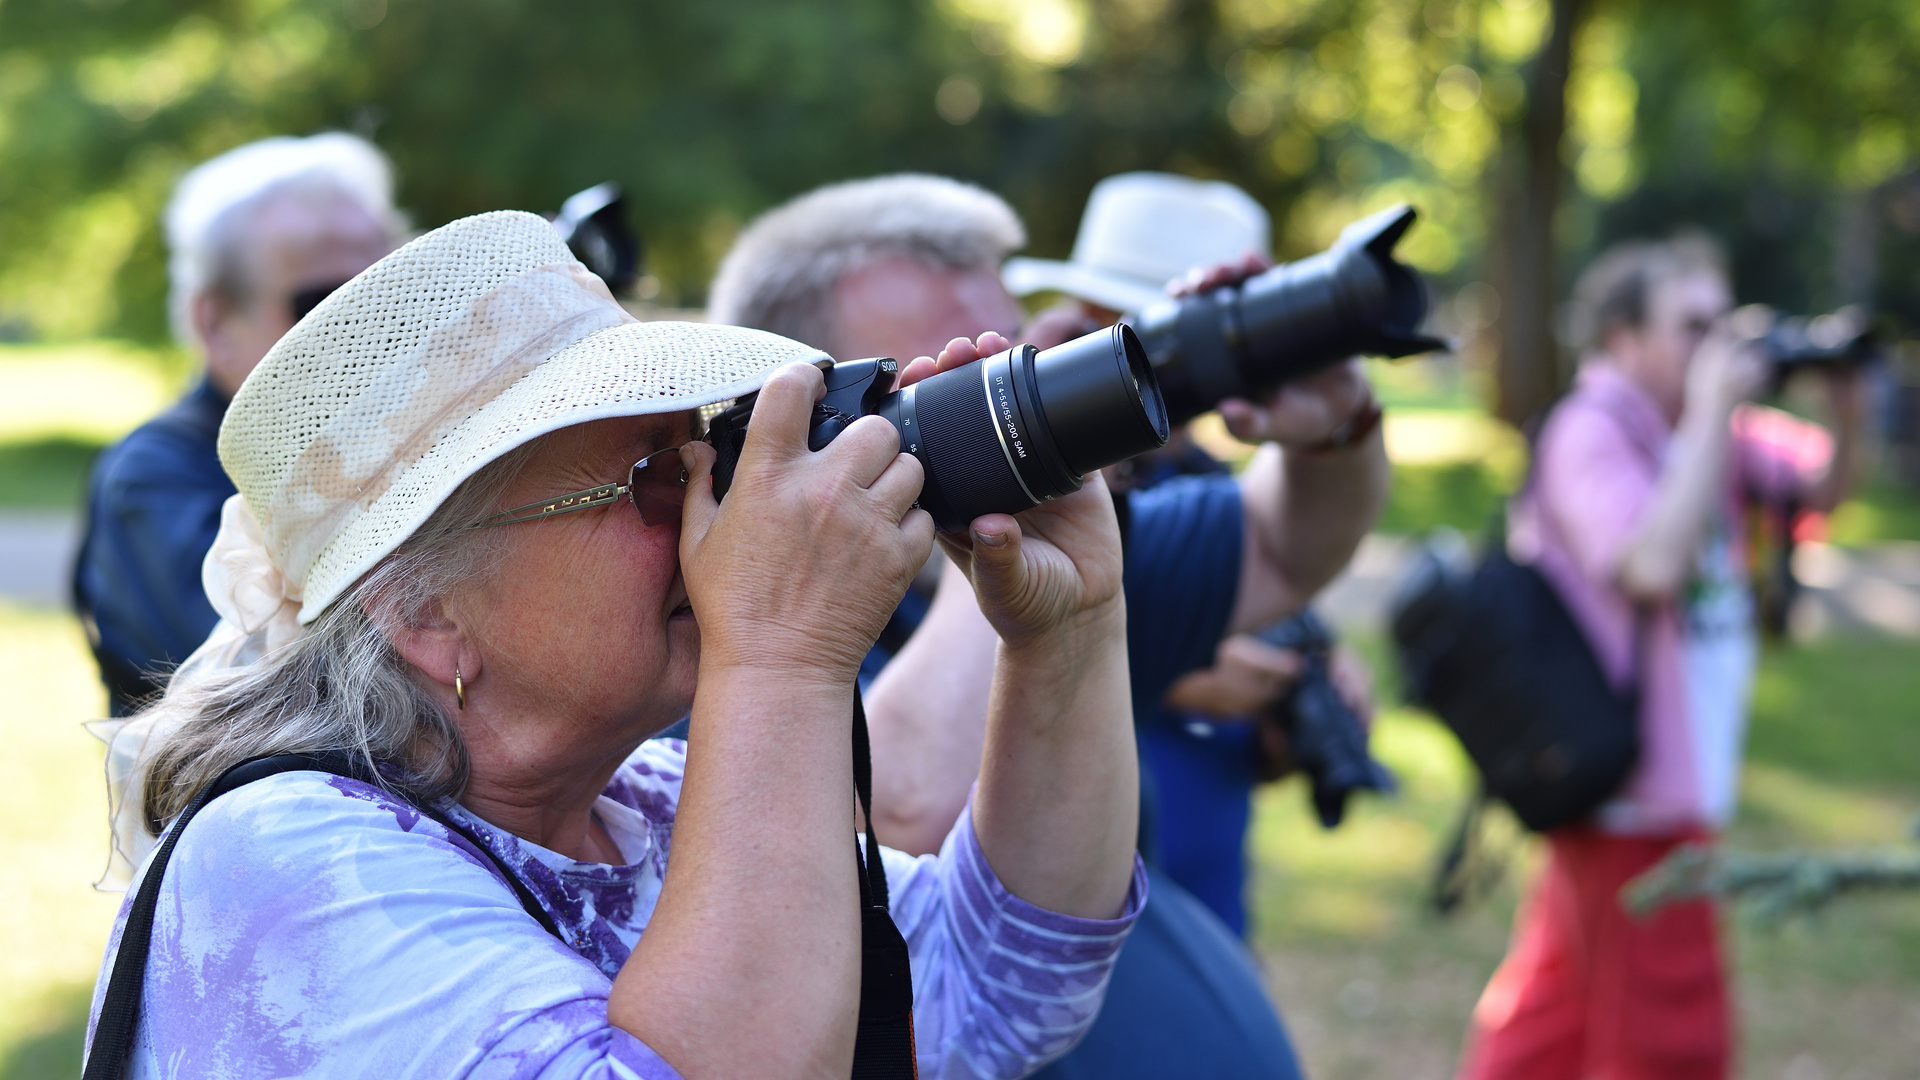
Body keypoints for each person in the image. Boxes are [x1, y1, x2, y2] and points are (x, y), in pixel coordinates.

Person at [87, 211, 1145, 1078]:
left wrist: (1067, 632)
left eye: (708, 457)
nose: (716, 514)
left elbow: (995, 988)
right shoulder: (282, 864)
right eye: (653, 481)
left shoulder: (644, 804)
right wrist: (780, 658)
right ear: (425, 612)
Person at [710, 173, 1390, 1079]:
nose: (988, 391)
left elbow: (1282, 544)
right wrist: (997, 513)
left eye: (999, 354)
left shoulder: (1064, 552)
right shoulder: (715, 634)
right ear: (794, 405)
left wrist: (1333, 426)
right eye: (930, 375)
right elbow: (905, 814)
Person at [1459, 234, 1867, 1080]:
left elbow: (1823, 489)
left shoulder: (1706, 426)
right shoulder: (1592, 429)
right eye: (1693, 325)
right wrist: (1716, 415)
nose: (1716, 347)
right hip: (1634, 788)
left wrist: (1846, 406)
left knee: (1557, 1014)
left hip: (1651, 780)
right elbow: (1649, 564)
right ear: (1622, 337)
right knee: (1673, 1038)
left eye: (1725, 323)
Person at [73, 133, 405, 714]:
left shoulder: (394, 438)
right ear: (217, 323)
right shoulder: (155, 475)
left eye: (393, 292)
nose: (369, 328)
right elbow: (283, 685)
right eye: (326, 303)